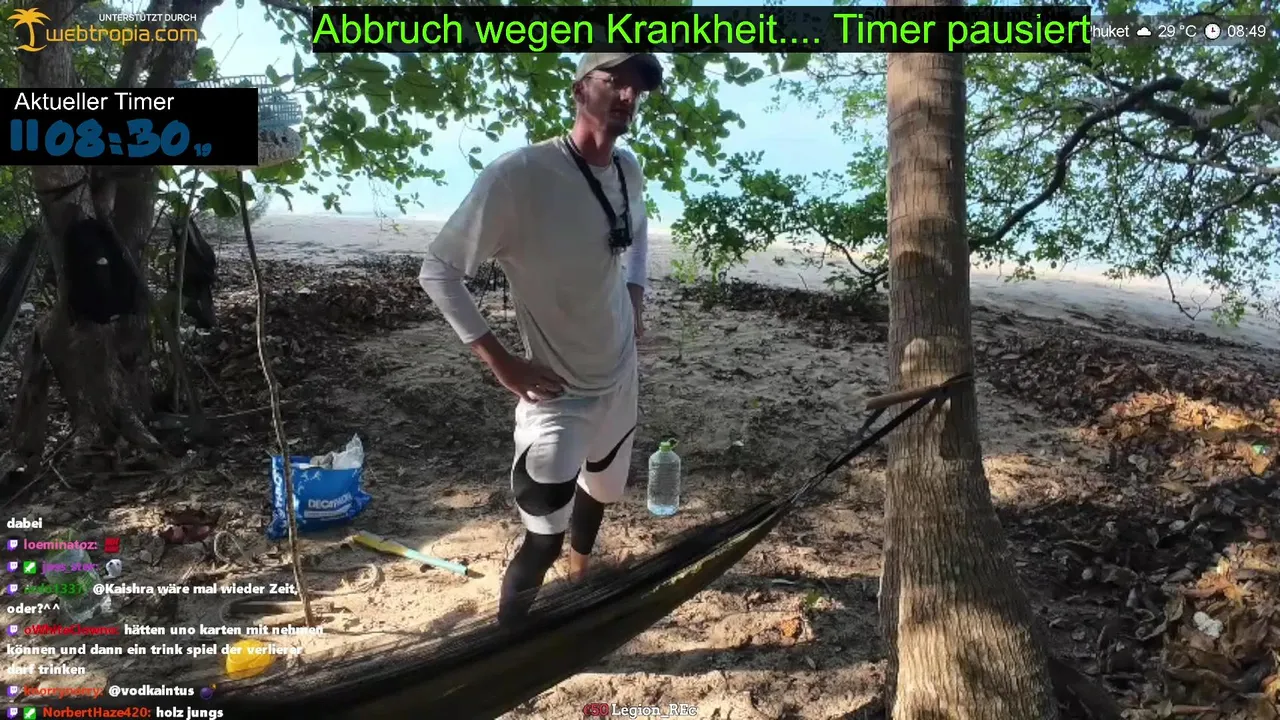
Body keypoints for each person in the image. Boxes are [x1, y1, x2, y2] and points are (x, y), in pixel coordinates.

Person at [418, 52, 662, 626]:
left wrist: (634, 299)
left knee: (602, 495)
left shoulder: (627, 168)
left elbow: (636, 239)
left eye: (637, 87)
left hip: (620, 376)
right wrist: (503, 363)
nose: (627, 96)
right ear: (580, 89)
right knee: (542, 538)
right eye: (614, 81)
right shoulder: (520, 175)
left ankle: (580, 579)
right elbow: (438, 272)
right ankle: (509, 645)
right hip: (558, 394)